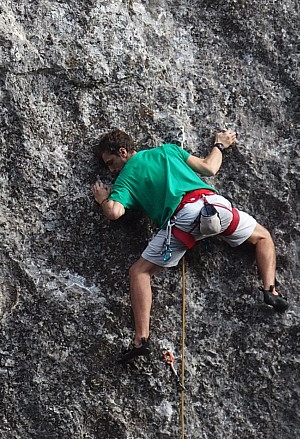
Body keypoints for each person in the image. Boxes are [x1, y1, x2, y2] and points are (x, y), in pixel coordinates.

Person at [90, 128, 287, 364]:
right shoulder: (168, 150)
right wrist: (220, 144)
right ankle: (270, 290)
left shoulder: (125, 178)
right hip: (215, 206)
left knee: (139, 272)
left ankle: (141, 339)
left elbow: (114, 212)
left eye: (111, 163)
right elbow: (209, 167)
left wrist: (103, 199)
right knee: (263, 237)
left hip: (184, 220)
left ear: (123, 152)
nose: (111, 170)